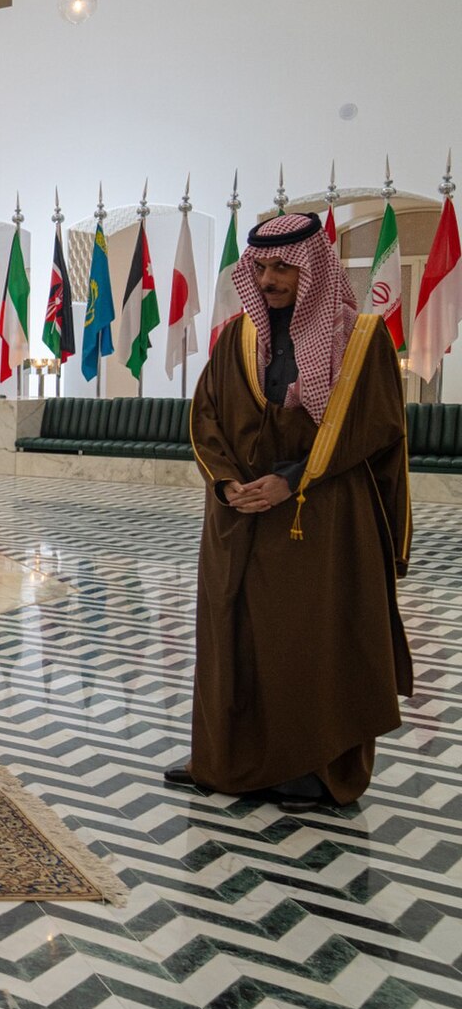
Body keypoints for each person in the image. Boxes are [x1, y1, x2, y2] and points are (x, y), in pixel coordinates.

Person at [175, 210, 412, 812]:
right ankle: (228, 756)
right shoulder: (237, 336)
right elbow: (206, 416)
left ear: (315, 267)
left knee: (311, 639)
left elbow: (373, 426)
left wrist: (290, 480)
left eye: (286, 266)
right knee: (238, 638)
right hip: (241, 517)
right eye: (263, 267)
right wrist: (228, 483)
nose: (273, 278)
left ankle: (312, 766)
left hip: (323, 516)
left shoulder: (361, 338)